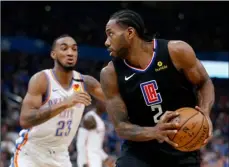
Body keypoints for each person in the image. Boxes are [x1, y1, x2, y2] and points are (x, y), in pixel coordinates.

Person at [100, 9, 215, 167]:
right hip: (140, 150)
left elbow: (204, 82)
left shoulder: (176, 51)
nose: (106, 42)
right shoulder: (110, 74)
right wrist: (154, 131)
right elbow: (121, 127)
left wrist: (205, 113)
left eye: (110, 34)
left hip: (182, 144)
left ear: (130, 33)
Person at [9, 34, 105, 167]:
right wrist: (65, 103)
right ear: (53, 54)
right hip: (32, 153)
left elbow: (115, 100)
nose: (70, 53)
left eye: (74, 49)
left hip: (60, 156)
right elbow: (25, 120)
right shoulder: (41, 80)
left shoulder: (86, 82)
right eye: (64, 48)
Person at [76, 101, 114, 167]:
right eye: (104, 102)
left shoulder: (100, 121)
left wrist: (106, 158)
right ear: (98, 103)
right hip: (88, 161)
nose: (106, 105)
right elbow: (81, 142)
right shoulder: (90, 117)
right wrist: (84, 162)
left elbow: (96, 147)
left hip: (96, 160)